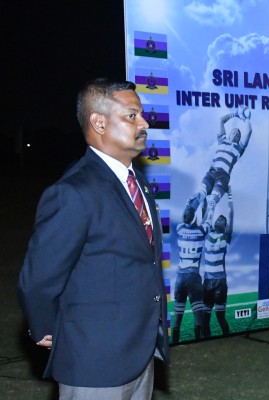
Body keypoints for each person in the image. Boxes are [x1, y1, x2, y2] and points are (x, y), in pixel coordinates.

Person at [18, 78, 169, 399]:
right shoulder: (73, 192)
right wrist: (47, 328)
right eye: (132, 116)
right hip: (94, 360)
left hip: (141, 352)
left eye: (142, 115)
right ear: (99, 123)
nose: (144, 123)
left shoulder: (138, 183)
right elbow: (39, 278)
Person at [184, 107, 252, 225]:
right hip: (211, 173)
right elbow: (221, 120)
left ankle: (207, 223)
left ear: (238, 138)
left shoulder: (239, 148)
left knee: (212, 201)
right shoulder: (222, 140)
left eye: (238, 134)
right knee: (200, 195)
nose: (235, 133)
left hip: (223, 177)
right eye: (233, 131)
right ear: (229, 134)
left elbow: (249, 131)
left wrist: (247, 119)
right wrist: (236, 114)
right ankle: (188, 218)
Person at [172, 201, 210, 344]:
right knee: (198, 315)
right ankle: (198, 344)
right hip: (193, 276)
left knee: (178, 317)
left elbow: (189, 218)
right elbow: (206, 218)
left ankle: (174, 344)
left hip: (180, 277)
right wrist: (207, 203)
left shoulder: (180, 228)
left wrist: (188, 204)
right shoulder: (201, 231)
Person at [201, 191, 234, 337]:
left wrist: (214, 201)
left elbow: (211, 214)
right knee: (208, 317)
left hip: (215, 281)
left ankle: (225, 338)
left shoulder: (218, 236)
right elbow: (229, 214)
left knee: (216, 316)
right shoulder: (218, 236)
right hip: (214, 281)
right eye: (220, 218)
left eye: (222, 220)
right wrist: (228, 196)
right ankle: (208, 340)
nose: (221, 219)